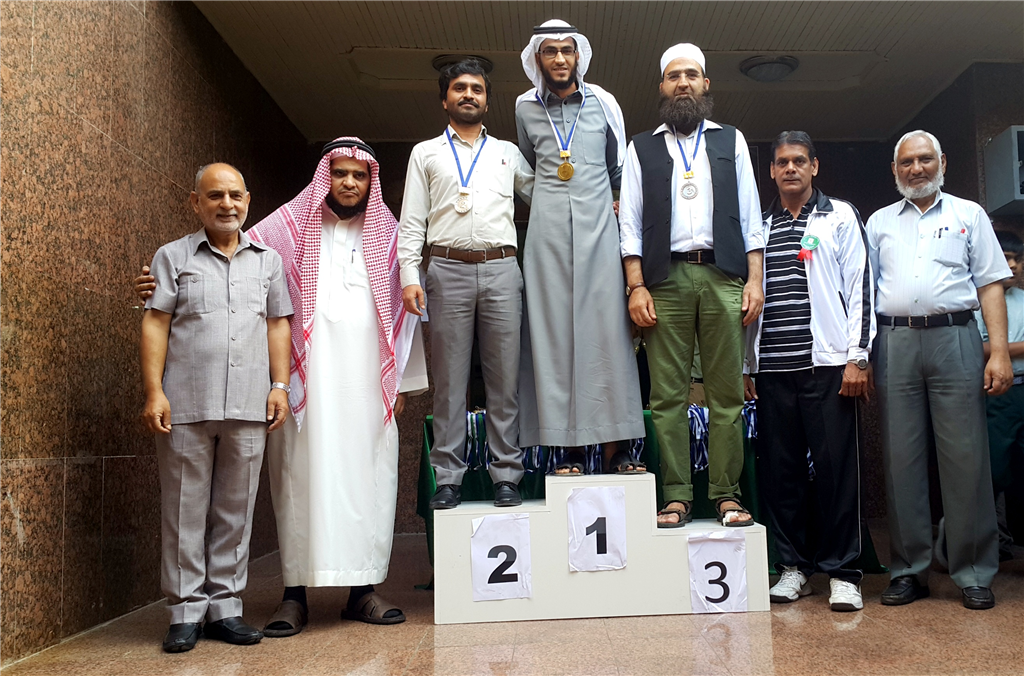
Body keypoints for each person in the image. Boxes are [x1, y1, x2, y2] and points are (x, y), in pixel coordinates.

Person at [135, 139, 427, 637]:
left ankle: (363, 590)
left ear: (371, 182)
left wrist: (403, 380)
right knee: (298, 480)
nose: (349, 183)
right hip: (301, 386)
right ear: (324, 177)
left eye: (359, 175)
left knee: (368, 481)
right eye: (340, 173)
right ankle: (294, 596)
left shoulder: (393, 238)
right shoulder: (281, 231)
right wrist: (154, 284)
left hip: (366, 386)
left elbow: (409, 309)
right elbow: (223, 258)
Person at [140, 163, 292, 652]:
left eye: (235, 195)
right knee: (183, 510)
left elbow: (277, 324)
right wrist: (154, 391)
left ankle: (225, 608)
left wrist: (280, 385)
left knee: (235, 512)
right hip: (186, 403)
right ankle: (185, 612)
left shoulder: (268, 261)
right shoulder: (172, 257)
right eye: (215, 196)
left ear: (247, 200)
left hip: (249, 404)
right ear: (195, 202)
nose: (227, 204)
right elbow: (156, 322)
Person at [618, 43, 764, 528]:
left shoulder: (731, 141)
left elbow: (751, 216)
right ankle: (676, 496)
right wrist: (636, 286)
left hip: (723, 276)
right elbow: (629, 224)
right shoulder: (641, 147)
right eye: (674, 76)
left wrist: (754, 280)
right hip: (664, 281)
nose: (683, 82)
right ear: (662, 86)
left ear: (706, 84)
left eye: (692, 75)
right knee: (667, 399)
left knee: (726, 395)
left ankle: (726, 494)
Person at [867, 130, 1012, 610]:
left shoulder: (969, 215)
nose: (917, 169)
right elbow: (864, 291)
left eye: (925, 159)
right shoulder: (878, 222)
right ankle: (909, 570)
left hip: (956, 338)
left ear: (943, 162)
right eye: (907, 162)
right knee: (900, 460)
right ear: (894, 170)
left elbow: (990, 285)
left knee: (967, 459)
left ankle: (973, 571)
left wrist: (998, 352)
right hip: (894, 342)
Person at [745, 132, 874, 612]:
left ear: (814, 166)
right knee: (782, 474)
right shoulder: (759, 226)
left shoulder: (838, 215)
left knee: (837, 472)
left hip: (828, 365)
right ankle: (793, 568)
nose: (791, 169)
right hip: (772, 369)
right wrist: (746, 365)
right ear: (772, 171)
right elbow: (746, 297)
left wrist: (857, 357)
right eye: (782, 162)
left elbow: (860, 286)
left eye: (799, 160)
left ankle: (844, 573)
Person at [399, 58, 534, 510]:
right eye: (459, 88)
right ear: (445, 99)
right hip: (446, 269)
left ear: (487, 100)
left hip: (501, 269)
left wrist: (596, 200)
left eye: (477, 89)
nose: (469, 95)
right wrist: (409, 276)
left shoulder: (507, 153)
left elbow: (543, 195)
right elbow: (412, 220)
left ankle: (507, 475)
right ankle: (448, 478)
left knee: (505, 380)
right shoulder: (426, 153)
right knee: (450, 382)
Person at [515, 19, 645, 474]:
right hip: (547, 236)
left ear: (578, 55)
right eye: (549, 51)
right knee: (551, 338)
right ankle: (566, 449)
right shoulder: (524, 107)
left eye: (566, 50)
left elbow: (619, 171)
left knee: (607, 336)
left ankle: (616, 448)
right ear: (538, 58)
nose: (559, 58)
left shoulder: (604, 102)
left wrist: (618, 207)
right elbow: (529, 168)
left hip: (599, 233)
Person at [974, 229, 1024, 561]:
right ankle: (988, 541)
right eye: (1006, 258)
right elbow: (977, 349)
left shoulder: (1022, 299)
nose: (1014, 265)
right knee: (993, 470)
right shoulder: (977, 301)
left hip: (1023, 390)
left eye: (1018, 259)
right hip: (994, 393)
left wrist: (1005, 348)